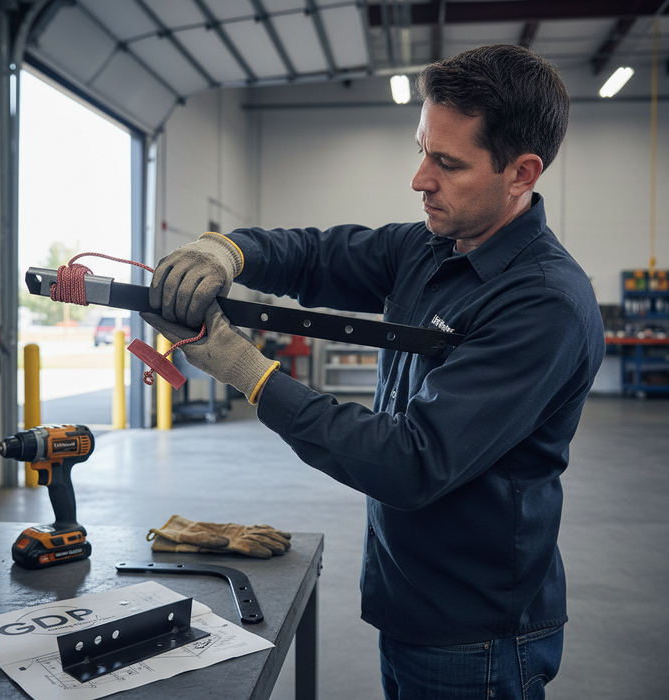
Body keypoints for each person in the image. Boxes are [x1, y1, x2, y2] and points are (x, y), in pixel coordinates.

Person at [142, 44, 606, 699]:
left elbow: (411, 462)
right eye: (422, 149)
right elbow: (315, 255)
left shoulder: (543, 305)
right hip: (408, 595)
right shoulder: (431, 245)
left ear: (521, 172)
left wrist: (250, 372)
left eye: (447, 162)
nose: (420, 178)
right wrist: (226, 250)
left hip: (475, 630)